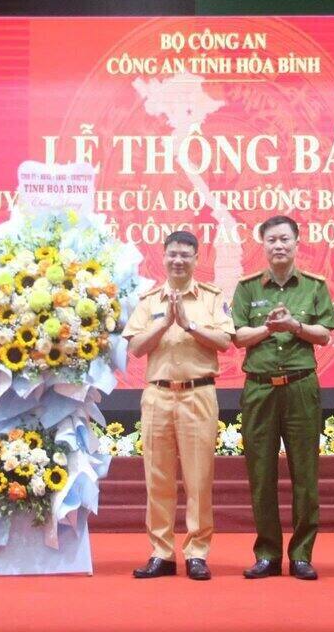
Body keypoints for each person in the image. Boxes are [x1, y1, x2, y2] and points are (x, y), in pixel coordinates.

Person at [123, 231, 233, 581]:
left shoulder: (212, 297)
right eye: (172, 254)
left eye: (186, 254)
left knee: (199, 478)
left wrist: (189, 323)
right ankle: (162, 552)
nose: (178, 260)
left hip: (198, 393)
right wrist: (165, 322)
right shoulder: (149, 299)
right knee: (157, 477)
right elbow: (137, 347)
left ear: (197, 258)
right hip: (157, 395)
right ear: (163, 256)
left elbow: (225, 341)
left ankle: (197, 552)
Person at [231, 215, 334, 581]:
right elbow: (238, 337)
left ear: (296, 243)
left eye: (285, 240)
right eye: (272, 240)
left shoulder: (314, 286)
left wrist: (295, 326)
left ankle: (303, 554)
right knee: (261, 474)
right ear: (263, 245)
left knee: (305, 473)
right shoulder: (246, 287)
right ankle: (268, 554)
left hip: (300, 386)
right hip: (259, 387)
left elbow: (324, 334)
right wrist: (267, 328)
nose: (278, 246)